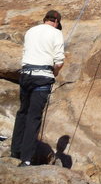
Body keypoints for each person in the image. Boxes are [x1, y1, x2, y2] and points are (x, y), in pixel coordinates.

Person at [11, 10, 65, 167]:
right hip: (42, 79)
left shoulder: (30, 31)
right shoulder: (56, 33)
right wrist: (54, 72)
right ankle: (26, 159)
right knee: (33, 117)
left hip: (26, 75)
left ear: (45, 20)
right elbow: (59, 62)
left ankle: (15, 150)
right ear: (56, 22)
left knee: (22, 113)